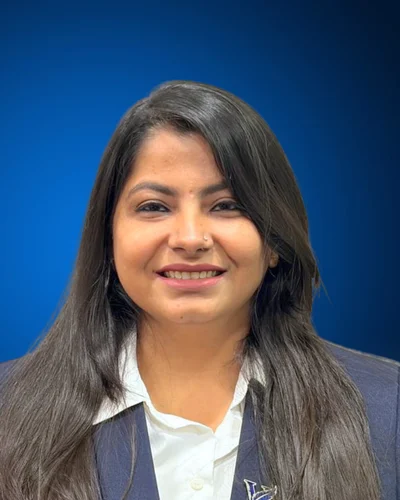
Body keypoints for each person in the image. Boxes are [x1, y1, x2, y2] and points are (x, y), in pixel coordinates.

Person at [0, 81, 398, 500]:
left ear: (275, 242)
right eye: (154, 207)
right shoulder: (8, 410)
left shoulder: (389, 410)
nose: (190, 238)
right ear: (109, 239)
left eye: (227, 206)